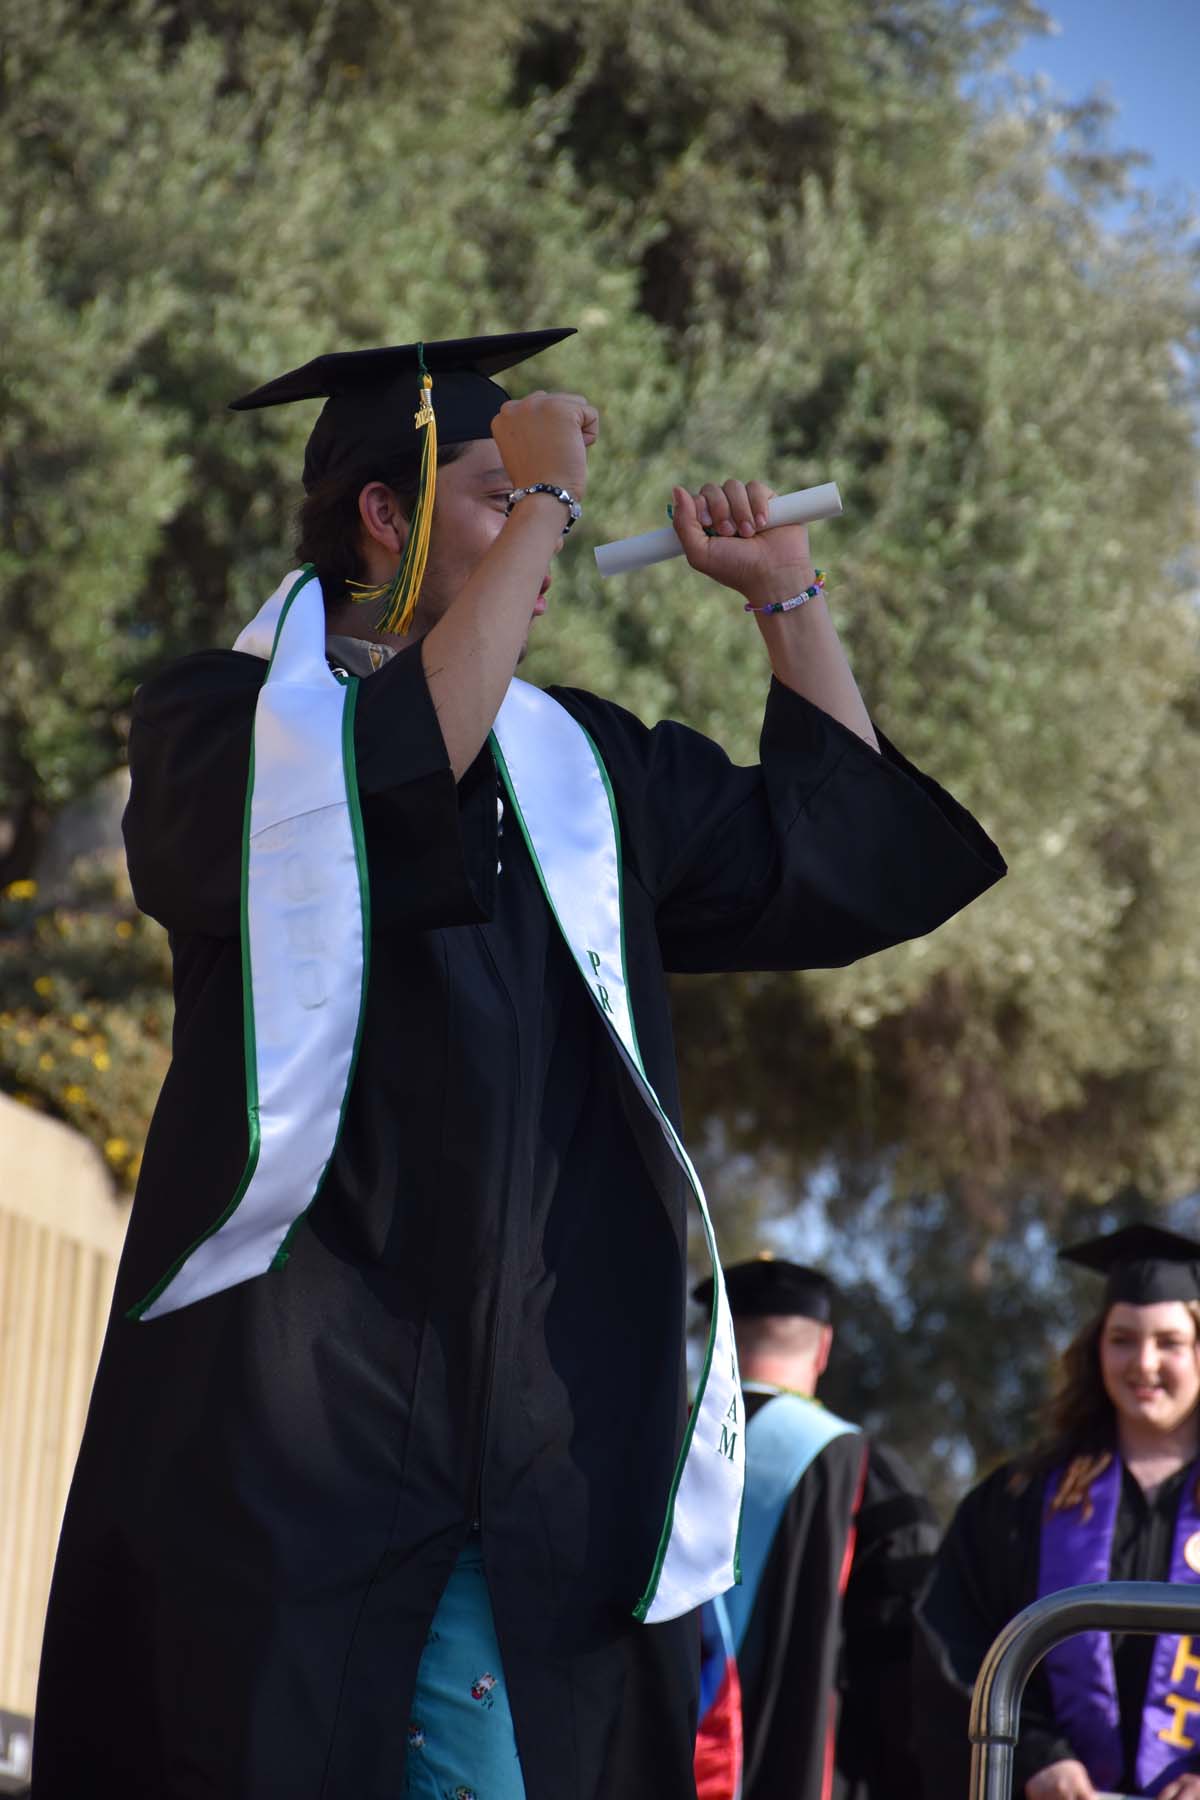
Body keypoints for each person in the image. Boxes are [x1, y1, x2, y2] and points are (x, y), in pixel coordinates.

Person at [33, 328, 1004, 1800]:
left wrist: (786, 603)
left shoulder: (582, 774)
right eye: (500, 496)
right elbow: (384, 782)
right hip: (291, 1433)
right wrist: (555, 500)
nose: (546, 528)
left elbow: (839, 861)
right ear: (386, 511)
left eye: (539, 500)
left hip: (543, 1446)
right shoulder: (221, 728)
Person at [915, 1223, 1200, 1800]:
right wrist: (1037, 1756)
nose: (1143, 1364)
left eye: (1168, 1342)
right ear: (1096, 1348)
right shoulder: (1022, 1499)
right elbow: (953, 1642)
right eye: (1122, 1339)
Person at [692, 1257, 938, 1800]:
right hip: (807, 1776)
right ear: (823, 1347)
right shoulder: (864, 1469)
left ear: (714, 1339)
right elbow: (907, 1666)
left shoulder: (647, 1451)